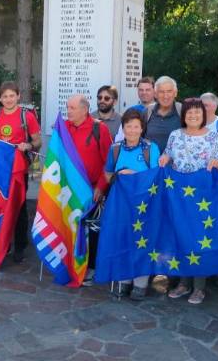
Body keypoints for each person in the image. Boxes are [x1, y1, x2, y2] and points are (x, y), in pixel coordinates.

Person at [159, 98, 218, 304]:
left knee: (199, 238)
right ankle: (183, 283)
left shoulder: (213, 137)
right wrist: (165, 159)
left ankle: (199, 287)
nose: (193, 115)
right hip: (179, 197)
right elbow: (167, 155)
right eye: (189, 112)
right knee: (181, 236)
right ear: (184, 115)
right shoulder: (175, 135)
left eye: (197, 112)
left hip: (203, 197)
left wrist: (217, 163)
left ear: (203, 115)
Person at [105, 108, 160, 300]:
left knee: (142, 240)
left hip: (144, 204)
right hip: (121, 204)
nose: (132, 130)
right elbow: (108, 174)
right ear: (123, 127)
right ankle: (125, 280)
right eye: (128, 126)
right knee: (123, 239)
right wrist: (119, 176)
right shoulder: (115, 148)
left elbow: (155, 176)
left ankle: (140, 283)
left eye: (136, 126)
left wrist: (134, 176)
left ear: (142, 128)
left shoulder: (150, 148)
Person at [0, 81, 42, 263]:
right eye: (4, 96)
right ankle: (2, 243)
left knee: (19, 206)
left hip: (19, 169)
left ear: (18, 96)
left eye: (12, 95)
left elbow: (38, 141)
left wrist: (28, 145)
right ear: (0, 98)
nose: (8, 99)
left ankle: (20, 246)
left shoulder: (27, 117)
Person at [64, 94, 112, 286]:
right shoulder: (64, 128)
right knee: (71, 227)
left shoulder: (99, 128)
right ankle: (72, 264)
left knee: (92, 231)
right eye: (68, 107)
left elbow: (109, 162)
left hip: (92, 191)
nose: (68, 111)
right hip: (69, 190)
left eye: (72, 108)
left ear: (84, 110)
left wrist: (101, 186)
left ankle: (90, 268)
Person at [141, 76, 183, 152]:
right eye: (161, 92)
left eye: (169, 91)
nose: (165, 96)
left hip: (175, 162)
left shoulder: (182, 111)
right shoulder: (147, 111)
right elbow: (139, 137)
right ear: (155, 94)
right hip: (150, 162)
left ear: (175, 93)